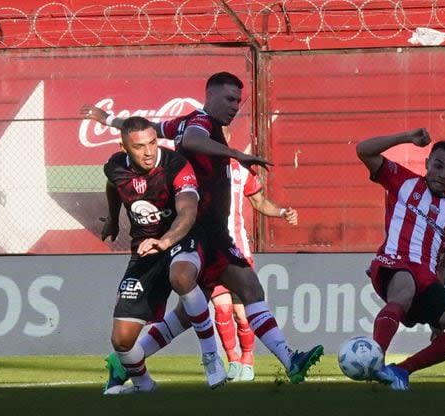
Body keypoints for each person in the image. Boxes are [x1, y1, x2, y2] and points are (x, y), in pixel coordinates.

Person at [82, 72, 323, 391]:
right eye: (229, 99)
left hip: (212, 231)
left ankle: (125, 361)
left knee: (210, 303)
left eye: (239, 100)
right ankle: (267, 360)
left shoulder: (181, 123)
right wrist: (236, 155)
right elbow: (194, 140)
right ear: (209, 96)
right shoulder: (201, 123)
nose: (235, 106)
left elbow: (143, 130)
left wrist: (109, 119)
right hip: (200, 231)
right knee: (238, 291)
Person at [100, 116, 226, 394]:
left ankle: (211, 356)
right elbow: (114, 186)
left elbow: (188, 212)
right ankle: (145, 386)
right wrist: (112, 218)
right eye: (139, 146)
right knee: (121, 341)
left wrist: (165, 240)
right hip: (145, 248)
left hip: (183, 236)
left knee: (181, 276)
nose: (148, 151)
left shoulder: (176, 165)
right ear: (124, 148)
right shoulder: (115, 167)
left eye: (153, 142)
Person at [355, 128, 445, 391]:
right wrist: (405, 138)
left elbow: (442, 264)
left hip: (426, 279)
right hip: (393, 263)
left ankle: (400, 371)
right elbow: (363, 150)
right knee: (405, 288)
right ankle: (374, 359)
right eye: (438, 165)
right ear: (427, 163)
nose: (442, 173)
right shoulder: (403, 181)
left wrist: (438, 322)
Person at [212, 157, 299, 382]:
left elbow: (259, 202)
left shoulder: (240, 170)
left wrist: (282, 212)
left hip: (238, 250)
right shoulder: (198, 166)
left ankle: (247, 360)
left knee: (242, 314)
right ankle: (232, 360)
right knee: (222, 308)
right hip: (211, 250)